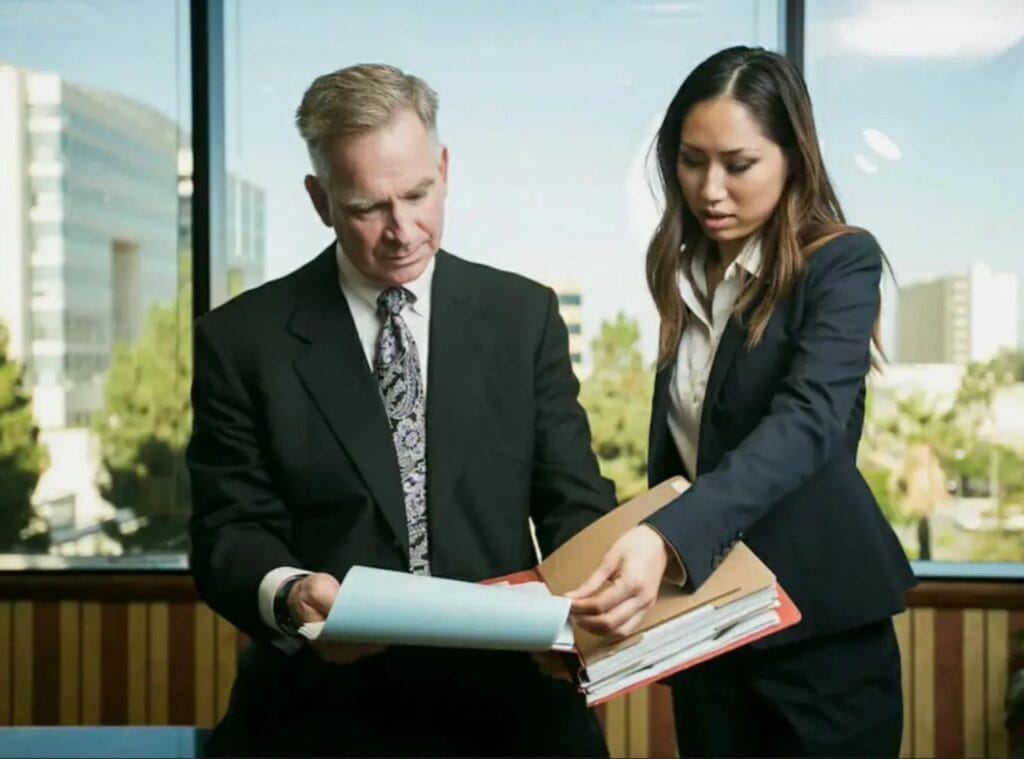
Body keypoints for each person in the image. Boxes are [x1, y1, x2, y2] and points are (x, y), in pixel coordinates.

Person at [187, 63, 614, 757]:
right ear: (320, 199)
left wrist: (593, 609)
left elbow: (573, 501)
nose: (403, 229)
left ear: (443, 167)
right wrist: (293, 593)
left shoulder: (524, 317)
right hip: (317, 714)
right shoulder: (241, 342)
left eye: (419, 193)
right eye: (366, 207)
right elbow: (227, 531)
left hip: (513, 709)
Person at [568, 46, 916, 757]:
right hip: (711, 628)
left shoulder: (839, 262)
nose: (710, 188)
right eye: (691, 161)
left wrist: (666, 537)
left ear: (793, 157)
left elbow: (809, 420)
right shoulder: (686, 274)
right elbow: (683, 459)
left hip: (819, 635)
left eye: (739, 163)